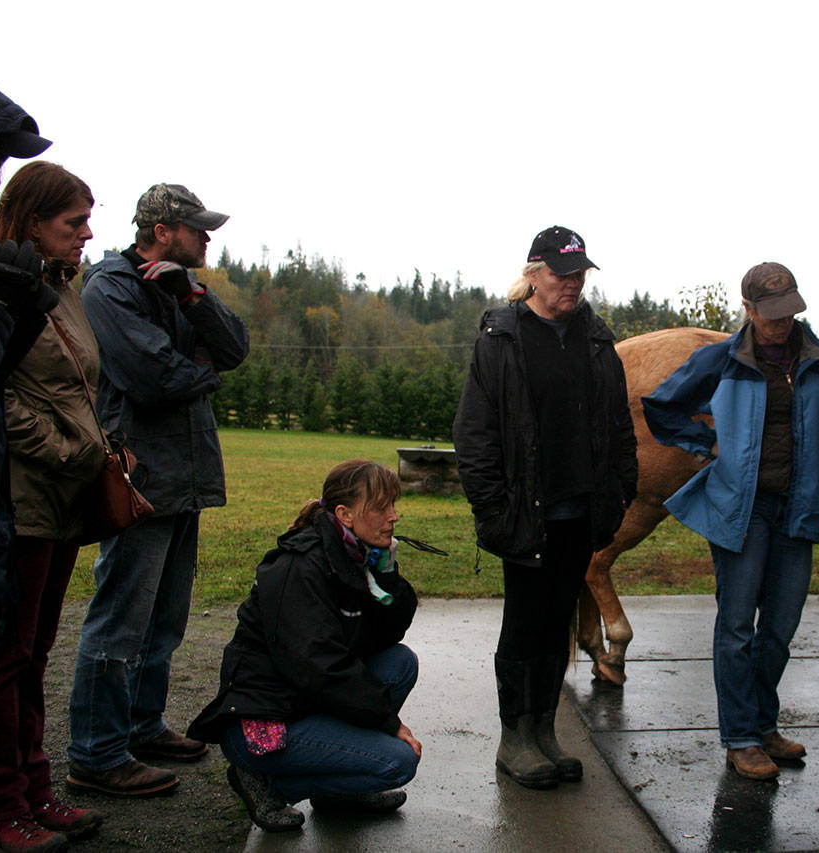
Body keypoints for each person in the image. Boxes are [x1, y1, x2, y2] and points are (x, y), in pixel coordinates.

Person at [66, 183, 249, 797]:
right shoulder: (110, 287)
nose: (207, 237)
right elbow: (152, 377)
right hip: (137, 480)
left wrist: (193, 297)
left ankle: (141, 725)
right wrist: (203, 373)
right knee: (121, 619)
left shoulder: (179, 288)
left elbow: (235, 349)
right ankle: (95, 752)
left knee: (163, 620)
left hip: (183, 478)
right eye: (197, 227)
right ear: (162, 230)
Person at [642, 262, 819, 781]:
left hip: (797, 508)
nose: (783, 323)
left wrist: (818, 463)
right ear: (750, 310)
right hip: (742, 508)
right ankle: (741, 738)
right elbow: (662, 408)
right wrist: (707, 445)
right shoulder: (721, 360)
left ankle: (763, 725)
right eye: (772, 314)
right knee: (737, 627)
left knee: (779, 629)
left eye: (790, 312)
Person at [453, 226, 637, 789]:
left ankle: (544, 731)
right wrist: (493, 511)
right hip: (526, 517)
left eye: (580, 274)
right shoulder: (501, 341)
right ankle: (515, 739)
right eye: (562, 273)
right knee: (524, 627)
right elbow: (475, 434)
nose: (572, 284)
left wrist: (618, 492)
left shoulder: (596, 342)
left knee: (557, 624)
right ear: (533, 273)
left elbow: (619, 428)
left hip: (580, 515)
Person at [0, 162, 109, 850]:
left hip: (65, 503)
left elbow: (79, 389)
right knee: (3, 659)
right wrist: (65, 450)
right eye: (74, 223)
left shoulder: (63, 293)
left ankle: (34, 788)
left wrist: (100, 447)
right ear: (31, 222)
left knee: (34, 655)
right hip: (21, 501)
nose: (88, 234)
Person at [188, 460, 421, 833]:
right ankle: (265, 781)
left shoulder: (353, 555)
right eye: (381, 507)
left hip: (302, 699)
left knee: (400, 663)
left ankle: (337, 792)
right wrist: (387, 722)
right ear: (344, 514)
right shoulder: (301, 566)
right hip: (267, 718)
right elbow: (320, 664)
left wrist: (387, 574)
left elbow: (383, 637)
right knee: (396, 762)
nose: (393, 517)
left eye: (393, 505)